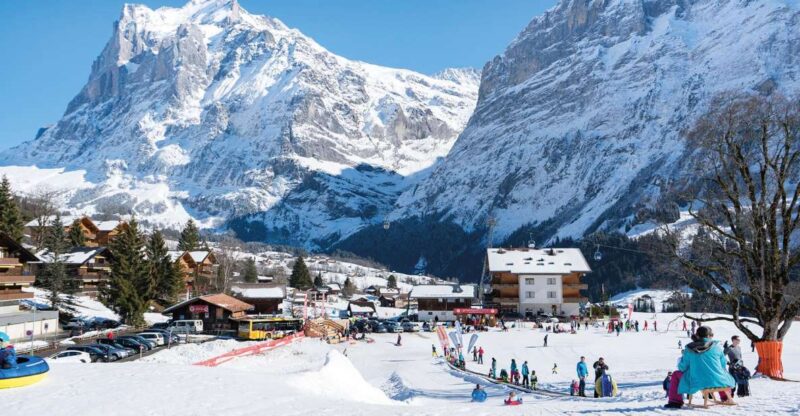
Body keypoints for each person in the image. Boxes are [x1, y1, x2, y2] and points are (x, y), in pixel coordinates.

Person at [677, 326, 736, 407]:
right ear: (709, 335)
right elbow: (723, 365)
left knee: (675, 375)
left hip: (697, 380)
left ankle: (674, 401)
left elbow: (682, 367)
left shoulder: (689, 349)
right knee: (720, 373)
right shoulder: (717, 347)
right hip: (719, 380)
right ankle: (725, 397)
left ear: (697, 335)